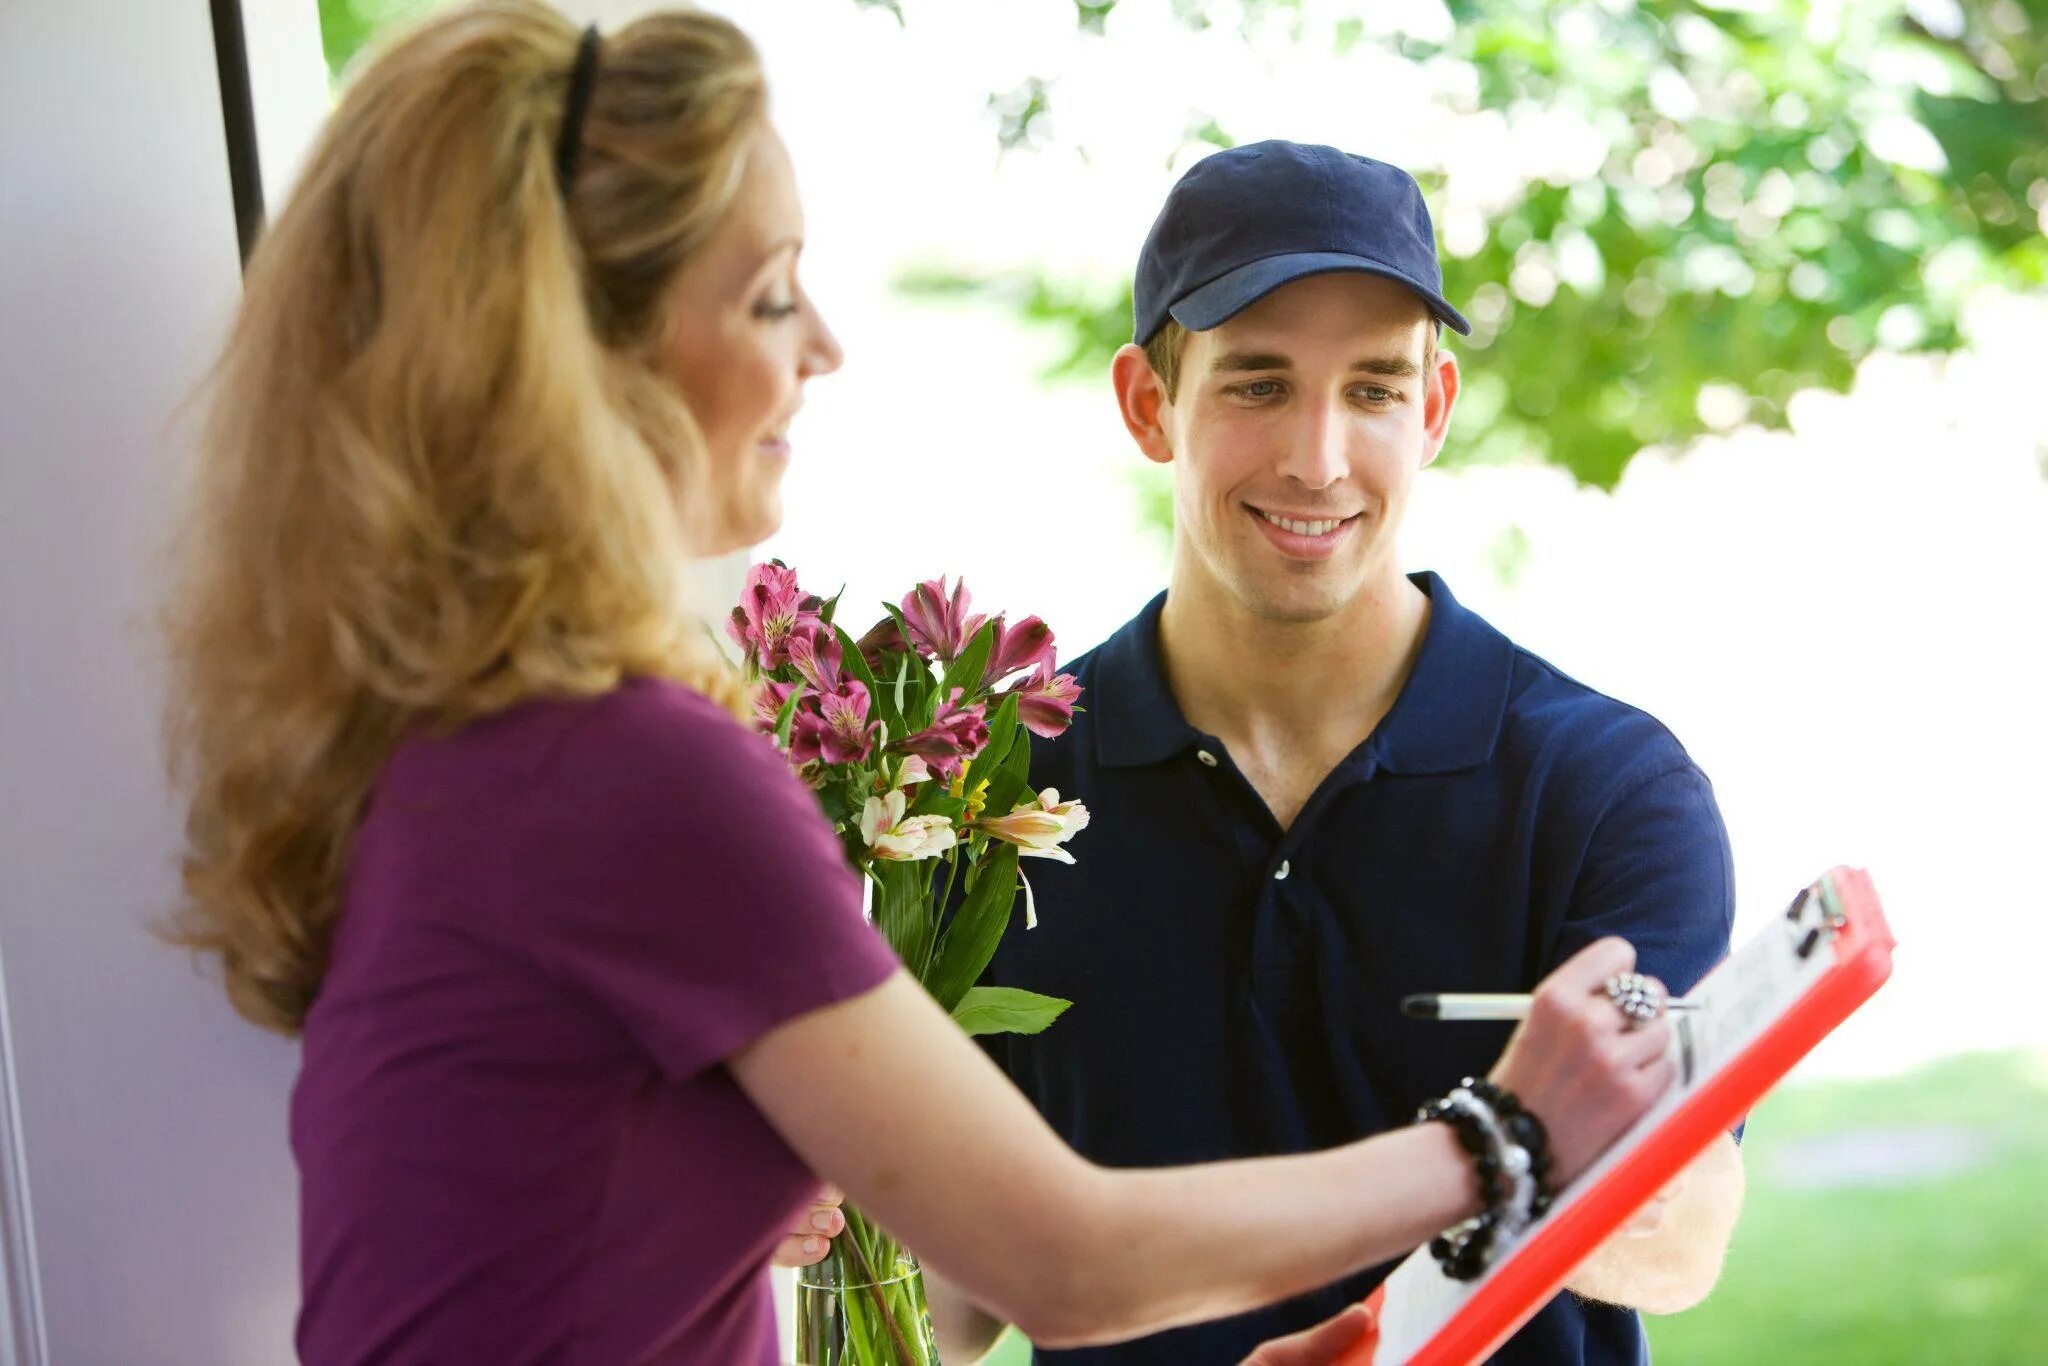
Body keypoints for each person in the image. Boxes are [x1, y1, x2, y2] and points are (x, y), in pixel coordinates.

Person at [161, 8, 1679, 1363]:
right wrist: (1505, 1133)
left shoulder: (468, 738)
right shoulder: (636, 770)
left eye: (1374, 386)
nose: (823, 346)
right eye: (768, 296)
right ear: (583, 357)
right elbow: (1056, 1264)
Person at [919, 142, 1748, 1363]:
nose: (1317, 459)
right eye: (1257, 385)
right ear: (1150, 404)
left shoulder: (1602, 787)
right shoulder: (996, 790)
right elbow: (950, 1303)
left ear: (1433, 409)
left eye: (1370, 389)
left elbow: (1679, 1248)